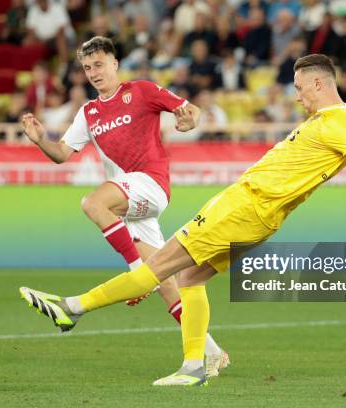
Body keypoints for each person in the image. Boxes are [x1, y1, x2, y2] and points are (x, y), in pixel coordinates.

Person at [19, 54, 346, 386]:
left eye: (300, 87)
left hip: (244, 207)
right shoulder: (329, 122)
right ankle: (195, 365)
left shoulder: (341, 120)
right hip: (258, 216)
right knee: (190, 278)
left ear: (319, 83)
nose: (297, 95)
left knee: (161, 265)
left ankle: (72, 308)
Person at [19, 36, 229, 377]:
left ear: (115, 63)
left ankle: (134, 273)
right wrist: (40, 139)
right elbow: (61, 155)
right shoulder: (88, 112)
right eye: (87, 68)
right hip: (128, 202)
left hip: (149, 184)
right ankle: (213, 352)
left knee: (93, 203)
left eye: (99, 64)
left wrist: (191, 119)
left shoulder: (142, 91)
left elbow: (190, 109)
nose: (93, 73)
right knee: (165, 283)